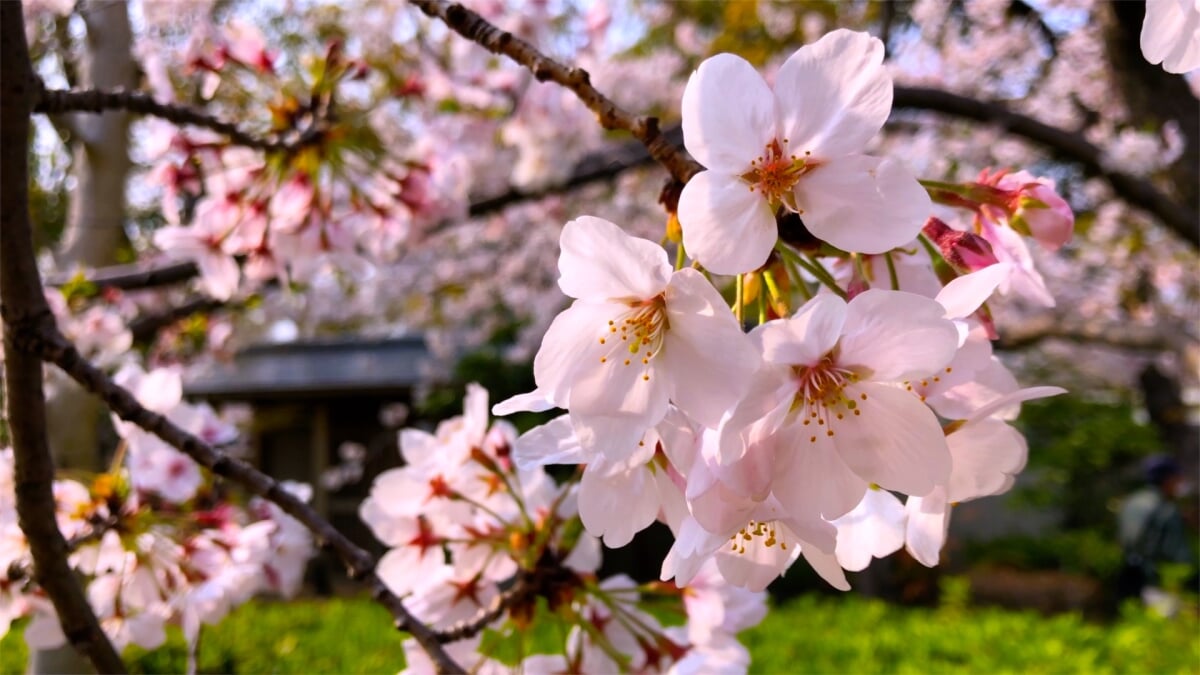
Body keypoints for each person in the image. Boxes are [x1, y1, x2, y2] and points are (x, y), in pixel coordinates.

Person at [1116, 455, 1196, 613]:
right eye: (1178, 479)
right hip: (1161, 586)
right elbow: (1179, 556)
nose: (1180, 484)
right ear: (1168, 480)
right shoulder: (1166, 510)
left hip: (1130, 580)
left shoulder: (1133, 501)